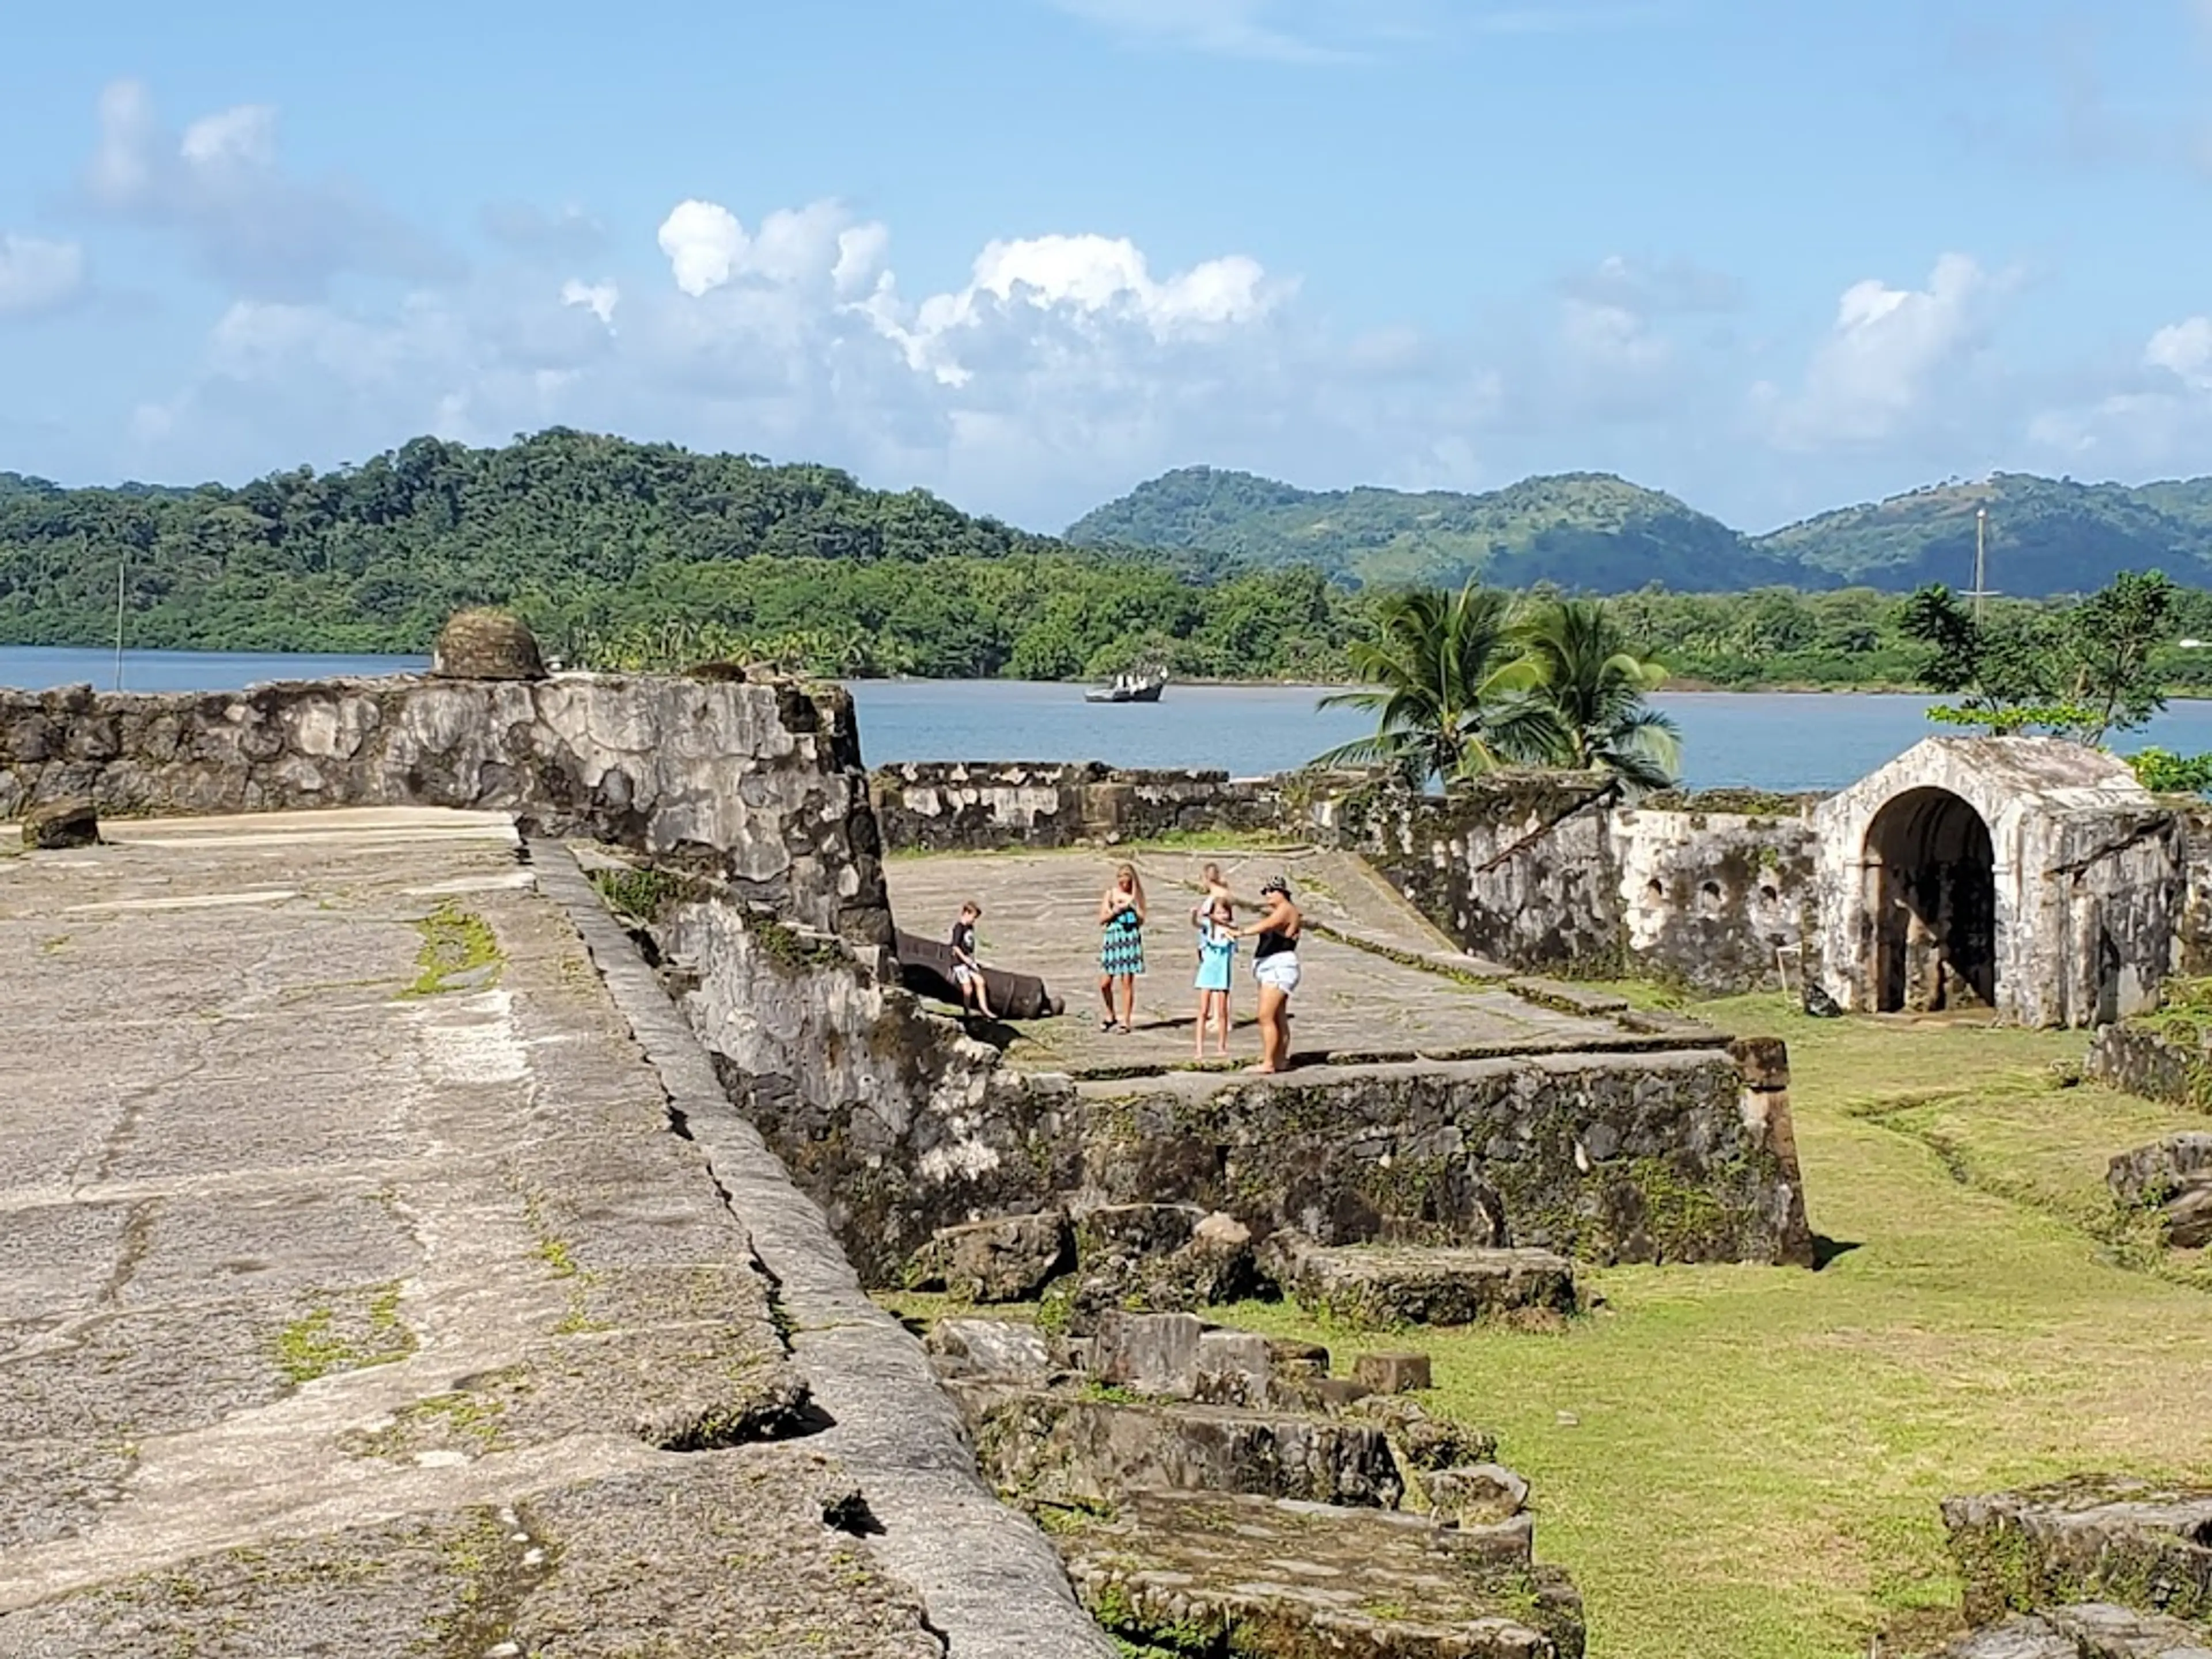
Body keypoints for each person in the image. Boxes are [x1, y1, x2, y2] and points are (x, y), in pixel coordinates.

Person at [1236, 876, 1302, 1074]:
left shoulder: (1286, 910)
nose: (1266, 895)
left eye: (1269, 891)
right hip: (1271, 966)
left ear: (1281, 892)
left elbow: (1268, 925)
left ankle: (1268, 1063)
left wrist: (1242, 932)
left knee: (1265, 1016)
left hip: (1279, 967)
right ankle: (1280, 1059)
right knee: (1278, 1016)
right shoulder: (1280, 911)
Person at [1097, 863, 1147, 1033]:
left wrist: (1132, 906)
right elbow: (1102, 919)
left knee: (1127, 982)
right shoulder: (1111, 894)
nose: (1124, 886)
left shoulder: (1136, 896)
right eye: (1121, 883)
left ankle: (1126, 1020)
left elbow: (1141, 920)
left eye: (1127, 883)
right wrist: (1115, 910)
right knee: (1105, 983)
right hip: (1113, 939)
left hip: (1129, 939)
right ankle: (1110, 1014)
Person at [1192, 893, 1236, 1060]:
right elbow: (1196, 923)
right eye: (1218, 912)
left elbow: (1234, 933)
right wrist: (1195, 914)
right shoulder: (1208, 928)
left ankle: (1222, 1046)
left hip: (1222, 972)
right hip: (1207, 971)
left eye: (1224, 912)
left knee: (1223, 1011)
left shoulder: (1231, 929)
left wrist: (1222, 923)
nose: (1222, 915)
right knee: (1203, 1010)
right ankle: (1199, 1048)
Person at [949, 900, 993, 1022]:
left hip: (969, 962)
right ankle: (967, 1011)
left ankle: (985, 1009)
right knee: (968, 988)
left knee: (980, 982)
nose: (974, 921)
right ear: (966, 914)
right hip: (959, 963)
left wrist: (973, 960)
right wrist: (965, 959)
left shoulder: (970, 928)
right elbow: (955, 947)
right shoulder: (959, 928)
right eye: (973, 917)